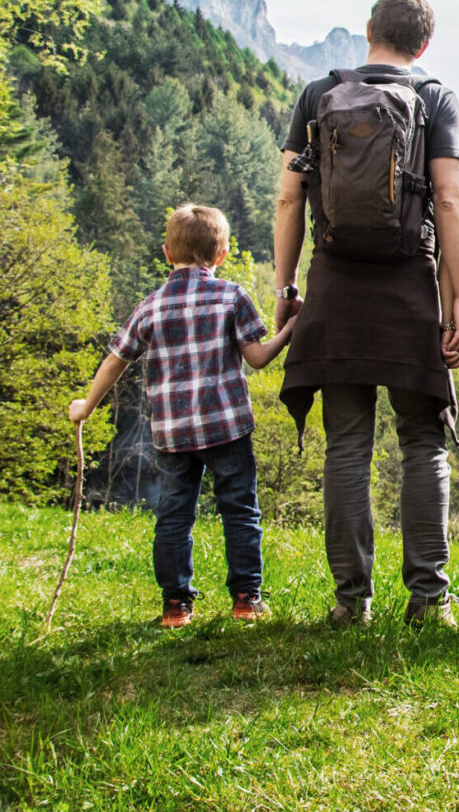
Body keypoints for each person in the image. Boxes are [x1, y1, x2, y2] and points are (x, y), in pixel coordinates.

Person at [272, 0, 459, 628]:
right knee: (423, 444)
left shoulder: (317, 94)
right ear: (422, 46)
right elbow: (446, 201)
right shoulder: (437, 98)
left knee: (347, 447)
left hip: (335, 286)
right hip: (408, 284)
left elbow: (287, 200)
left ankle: (350, 602)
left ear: (367, 32)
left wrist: (285, 291)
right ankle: (428, 600)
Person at [68, 204, 293, 628]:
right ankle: (246, 599)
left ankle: (175, 607)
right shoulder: (232, 295)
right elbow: (258, 358)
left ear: (167, 252)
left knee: (174, 514)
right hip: (226, 426)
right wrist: (290, 330)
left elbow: (116, 360)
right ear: (221, 254)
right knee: (240, 510)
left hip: (172, 433)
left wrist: (87, 406)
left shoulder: (151, 306)